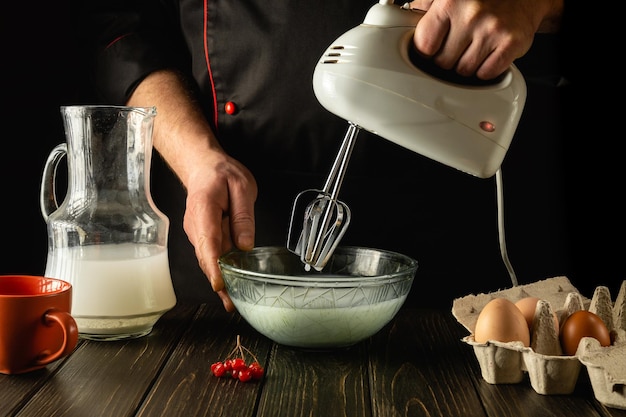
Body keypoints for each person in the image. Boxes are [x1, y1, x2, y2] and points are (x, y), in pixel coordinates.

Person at [72, 0, 576, 312]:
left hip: (457, 242)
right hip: (237, 249)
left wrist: (530, 2)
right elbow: (124, 24)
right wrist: (198, 159)